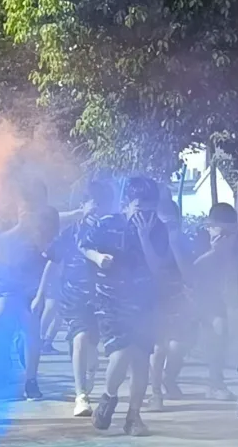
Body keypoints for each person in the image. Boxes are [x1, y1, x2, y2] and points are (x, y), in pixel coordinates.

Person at [81, 177, 167, 436]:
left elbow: (158, 268)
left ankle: (134, 416)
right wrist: (98, 258)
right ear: (126, 205)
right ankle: (108, 398)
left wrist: (144, 237)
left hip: (144, 301)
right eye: (139, 208)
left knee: (140, 358)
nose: (145, 215)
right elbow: (84, 245)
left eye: (151, 209)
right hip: (109, 299)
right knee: (121, 352)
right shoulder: (108, 224)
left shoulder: (158, 230)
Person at [0, 177, 59, 401]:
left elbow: (52, 252)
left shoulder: (50, 216)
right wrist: (20, 227)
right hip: (6, 281)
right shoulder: (3, 216)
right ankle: (3, 361)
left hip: (35, 282)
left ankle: (31, 380)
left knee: (31, 327)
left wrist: (36, 234)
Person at [47, 180, 112, 418]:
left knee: (92, 347)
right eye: (93, 204)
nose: (97, 209)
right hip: (74, 296)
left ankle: (90, 370)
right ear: (83, 204)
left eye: (102, 204)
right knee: (80, 338)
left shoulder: (111, 231)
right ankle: (81, 395)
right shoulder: (71, 232)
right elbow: (53, 261)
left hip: (104, 296)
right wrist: (42, 295)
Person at [147, 197, 196, 409]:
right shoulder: (148, 241)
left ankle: (169, 378)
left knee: (178, 346)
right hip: (153, 299)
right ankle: (155, 393)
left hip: (178, 299)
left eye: (172, 224)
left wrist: (175, 244)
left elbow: (188, 275)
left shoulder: (183, 242)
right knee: (158, 348)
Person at [192, 203, 238, 401]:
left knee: (220, 332)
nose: (226, 236)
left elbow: (234, 275)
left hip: (214, 299)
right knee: (176, 347)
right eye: (222, 231)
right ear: (210, 226)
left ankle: (215, 382)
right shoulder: (198, 238)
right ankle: (165, 380)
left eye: (230, 232)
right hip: (188, 297)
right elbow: (190, 270)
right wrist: (213, 252)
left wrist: (227, 253)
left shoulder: (236, 245)